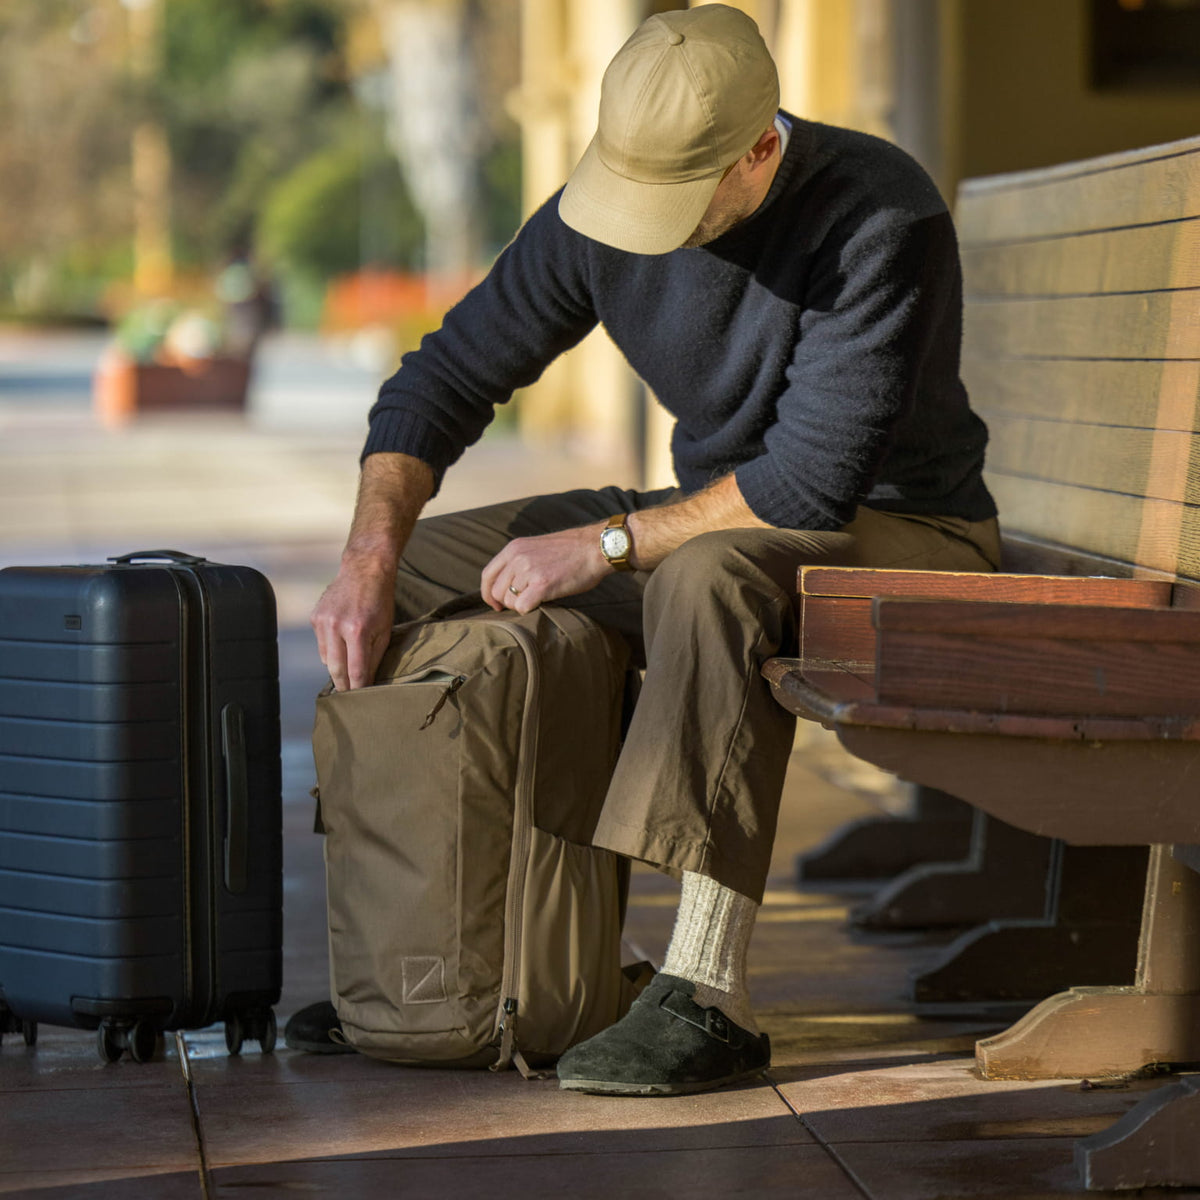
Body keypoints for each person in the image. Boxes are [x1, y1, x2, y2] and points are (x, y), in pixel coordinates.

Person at [286, 3, 999, 1095]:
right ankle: (458, 963)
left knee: (710, 575)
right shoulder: (597, 209)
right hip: (730, 506)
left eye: (676, 200)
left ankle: (707, 993)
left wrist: (611, 542)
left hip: (912, 534)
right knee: (428, 572)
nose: (639, 227)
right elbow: (442, 381)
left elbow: (808, 486)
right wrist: (371, 556)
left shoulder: (878, 212)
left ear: (762, 147)